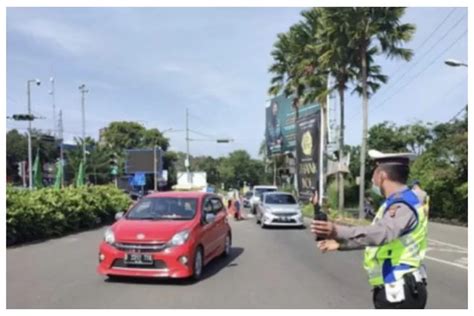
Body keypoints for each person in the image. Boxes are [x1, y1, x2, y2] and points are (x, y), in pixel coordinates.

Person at [311, 149, 428, 309]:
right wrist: (341, 244)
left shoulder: (402, 205)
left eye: (374, 172)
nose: (372, 179)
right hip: (395, 288)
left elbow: (383, 234)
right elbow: (379, 239)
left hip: (400, 292)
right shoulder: (398, 201)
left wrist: (338, 231)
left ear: (381, 176)